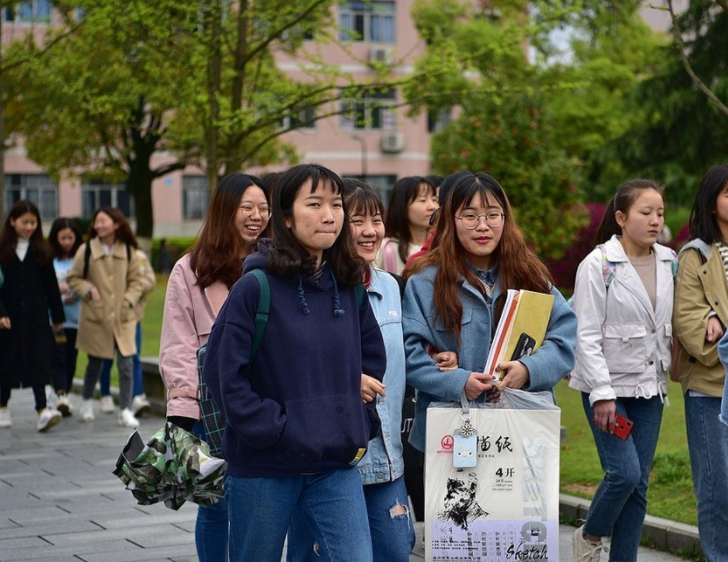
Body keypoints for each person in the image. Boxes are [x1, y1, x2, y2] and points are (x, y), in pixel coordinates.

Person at [204, 163, 387, 562]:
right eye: (315, 203)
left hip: (334, 463)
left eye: (336, 204)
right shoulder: (256, 287)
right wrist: (274, 428)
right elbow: (223, 374)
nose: (330, 215)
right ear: (285, 217)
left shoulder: (349, 286)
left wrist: (355, 420)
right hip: (266, 465)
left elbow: (372, 360)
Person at [401, 171, 576, 455]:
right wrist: (457, 383)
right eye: (469, 216)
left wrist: (529, 370)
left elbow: (565, 336)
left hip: (520, 431)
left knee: (518, 499)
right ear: (450, 221)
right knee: (460, 500)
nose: (483, 226)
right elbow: (408, 354)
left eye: (493, 215)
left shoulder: (528, 276)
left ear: (505, 220)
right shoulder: (425, 282)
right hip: (450, 436)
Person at [159, 172, 271, 562]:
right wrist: (183, 405)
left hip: (265, 397)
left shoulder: (275, 264)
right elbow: (178, 342)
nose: (257, 216)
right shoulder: (189, 269)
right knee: (216, 502)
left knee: (260, 498)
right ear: (226, 210)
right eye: (247, 207)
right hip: (212, 404)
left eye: (263, 208)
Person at [569, 179, 676, 562]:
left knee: (639, 485)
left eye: (660, 213)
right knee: (624, 474)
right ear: (620, 217)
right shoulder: (597, 265)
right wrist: (602, 394)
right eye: (645, 212)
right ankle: (591, 534)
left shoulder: (669, 261)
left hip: (650, 388)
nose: (655, 221)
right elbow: (586, 334)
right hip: (608, 390)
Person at [672, 165, 728, 562]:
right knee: (716, 486)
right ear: (712, 202)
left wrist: (720, 321)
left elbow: (715, 326)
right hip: (711, 388)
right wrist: (709, 321)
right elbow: (691, 327)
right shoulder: (695, 256)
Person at [67, 207, 145, 428]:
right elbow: (73, 278)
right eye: (96, 222)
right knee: (96, 362)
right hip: (97, 316)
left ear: (116, 224)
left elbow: (137, 281)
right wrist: (89, 289)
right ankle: (86, 401)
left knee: (127, 363)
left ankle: (126, 410)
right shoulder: (87, 250)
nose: (98, 225)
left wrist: (128, 299)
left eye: (103, 221)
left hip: (123, 316)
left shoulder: (129, 250)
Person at [0, 201, 65, 432]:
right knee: (5, 364)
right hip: (7, 320)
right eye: (24, 222)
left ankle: (42, 410)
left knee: (40, 363)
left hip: (36, 318)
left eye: (33, 222)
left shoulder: (42, 251)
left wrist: (57, 315)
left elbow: (51, 287)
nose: (29, 226)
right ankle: (3, 407)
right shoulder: (2, 250)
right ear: (12, 221)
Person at [97, 248, 156, 417]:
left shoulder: (140, 256)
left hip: (132, 318)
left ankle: (136, 396)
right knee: (106, 357)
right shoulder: (107, 257)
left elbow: (150, 281)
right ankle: (105, 395)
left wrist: (133, 286)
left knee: (133, 357)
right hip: (109, 318)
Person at [48, 218, 84, 416]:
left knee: (71, 359)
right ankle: (60, 393)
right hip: (56, 320)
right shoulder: (49, 260)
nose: (67, 241)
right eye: (63, 238)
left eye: (70, 237)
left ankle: (64, 394)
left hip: (76, 320)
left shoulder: (80, 259)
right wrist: (59, 292)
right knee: (58, 358)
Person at [375, 176, 438, 274]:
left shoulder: (440, 246)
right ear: (402, 206)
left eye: (434, 200)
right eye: (422, 200)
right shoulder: (384, 249)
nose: (432, 206)